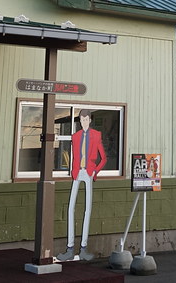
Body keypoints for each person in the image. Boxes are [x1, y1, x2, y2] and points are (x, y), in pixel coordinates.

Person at [57, 110, 106, 261]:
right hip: (77, 173)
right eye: (81, 119)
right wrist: (73, 170)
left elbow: (103, 158)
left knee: (87, 209)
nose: (84, 121)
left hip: (89, 172)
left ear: (90, 120)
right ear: (79, 121)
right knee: (71, 207)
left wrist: (95, 172)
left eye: (86, 119)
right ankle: (70, 249)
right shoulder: (75, 136)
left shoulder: (96, 135)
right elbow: (74, 155)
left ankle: (83, 248)